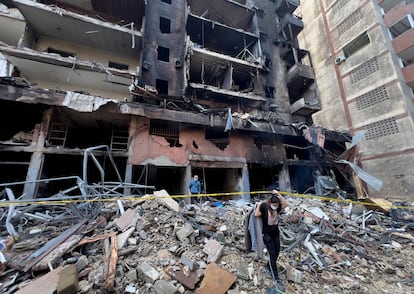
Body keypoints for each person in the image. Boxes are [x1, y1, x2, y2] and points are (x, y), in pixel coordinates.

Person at [254, 190, 288, 289]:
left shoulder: (277, 209)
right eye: (273, 204)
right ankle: (275, 278)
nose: (275, 206)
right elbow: (256, 214)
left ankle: (268, 266)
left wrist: (278, 194)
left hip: (275, 233)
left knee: (277, 252)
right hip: (267, 235)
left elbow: (286, 203)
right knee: (272, 255)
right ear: (270, 203)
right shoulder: (265, 207)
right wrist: (259, 204)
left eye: (276, 205)